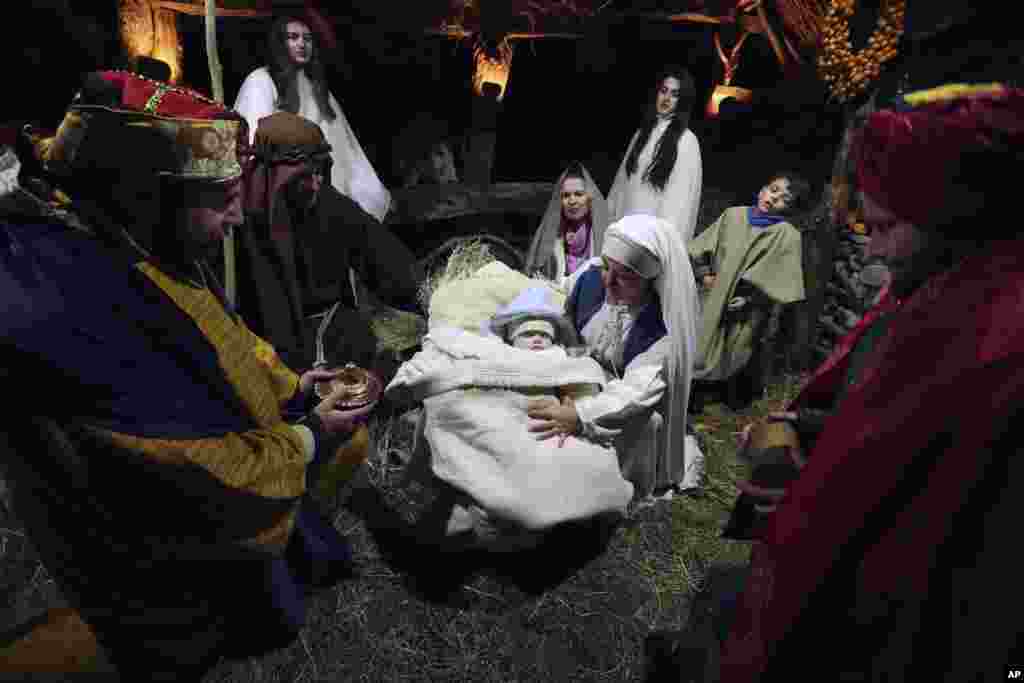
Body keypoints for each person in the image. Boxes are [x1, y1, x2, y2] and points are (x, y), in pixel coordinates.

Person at [0, 70, 377, 679]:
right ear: (152, 193)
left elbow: (225, 337)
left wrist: (294, 387)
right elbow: (194, 465)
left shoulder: (146, 238)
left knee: (345, 443)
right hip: (134, 533)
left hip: (206, 479)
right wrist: (310, 437)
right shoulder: (76, 302)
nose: (237, 217)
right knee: (149, 644)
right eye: (222, 197)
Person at [716, 83, 1024, 681]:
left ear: (947, 212)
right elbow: (873, 413)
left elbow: (929, 508)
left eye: (885, 224)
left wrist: (814, 492)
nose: (871, 241)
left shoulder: (984, 335)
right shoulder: (928, 284)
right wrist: (808, 434)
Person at [235, 111, 423, 376]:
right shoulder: (237, 222)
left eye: (319, 172)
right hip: (261, 351)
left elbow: (387, 262)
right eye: (303, 177)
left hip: (333, 340)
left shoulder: (331, 206)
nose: (315, 184)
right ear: (275, 178)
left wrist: (430, 300)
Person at [530, 214, 704, 498]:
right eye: (607, 266)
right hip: (579, 371)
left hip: (620, 399)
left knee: (645, 425)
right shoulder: (592, 275)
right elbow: (555, 294)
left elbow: (637, 390)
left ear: (652, 280)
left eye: (625, 276)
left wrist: (579, 414)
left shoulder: (660, 330)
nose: (608, 281)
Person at [234, 15, 392, 222]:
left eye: (307, 39)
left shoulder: (315, 87)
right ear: (280, 43)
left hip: (322, 181)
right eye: (293, 37)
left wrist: (367, 188)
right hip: (280, 185)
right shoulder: (260, 81)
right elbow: (256, 141)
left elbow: (344, 147)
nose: (302, 43)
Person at [688, 171, 811, 411]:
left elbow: (782, 279)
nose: (774, 198)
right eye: (773, 190)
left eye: (784, 199)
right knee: (700, 342)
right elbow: (700, 247)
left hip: (747, 306)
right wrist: (704, 276)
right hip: (713, 297)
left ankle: (723, 394)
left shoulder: (786, 236)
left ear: (790, 208)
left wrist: (752, 298)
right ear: (763, 189)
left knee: (735, 350)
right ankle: (690, 391)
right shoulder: (733, 216)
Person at [607, 67, 703, 242]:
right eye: (663, 91)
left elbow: (680, 205)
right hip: (623, 231)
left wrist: (662, 245)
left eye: (674, 94)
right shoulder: (642, 133)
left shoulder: (687, 141)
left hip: (653, 239)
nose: (666, 98)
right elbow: (621, 187)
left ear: (682, 100)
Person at [524, 161, 609, 285]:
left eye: (579, 194)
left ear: (589, 198)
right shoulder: (549, 237)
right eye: (566, 195)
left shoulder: (604, 235)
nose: (572, 201)